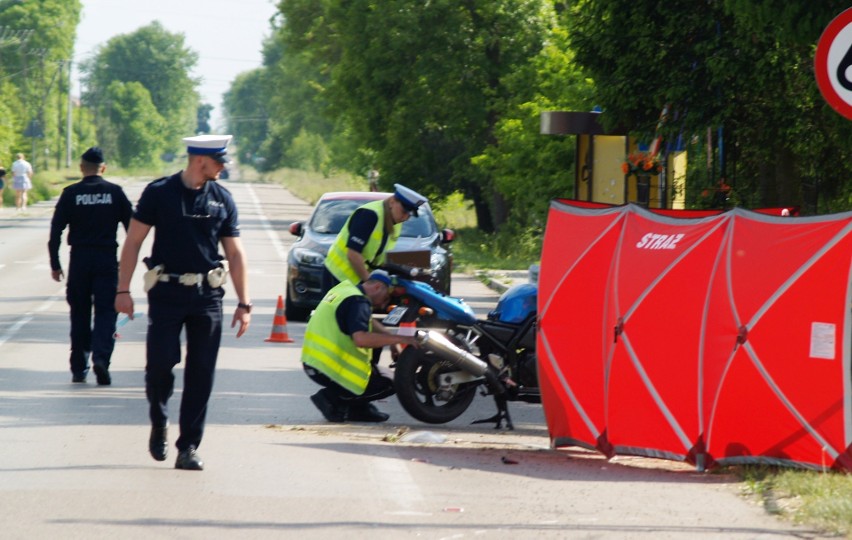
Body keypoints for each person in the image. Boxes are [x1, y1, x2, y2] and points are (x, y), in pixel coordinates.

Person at [115, 134, 251, 472]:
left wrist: (244, 303)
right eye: (219, 162)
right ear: (200, 160)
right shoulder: (159, 193)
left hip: (207, 297)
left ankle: (188, 446)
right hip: (167, 293)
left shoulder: (222, 198)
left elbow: (234, 253)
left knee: (201, 373)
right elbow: (132, 242)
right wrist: (122, 291)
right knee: (160, 365)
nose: (223, 168)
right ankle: (159, 419)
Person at [48, 147, 133, 385]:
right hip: (107, 260)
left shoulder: (70, 193)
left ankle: (78, 367)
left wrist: (55, 263)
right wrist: (129, 262)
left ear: (81, 167)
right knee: (107, 311)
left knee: (80, 313)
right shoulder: (115, 193)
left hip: (80, 261)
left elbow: (56, 231)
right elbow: (133, 230)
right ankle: (102, 358)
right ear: (103, 168)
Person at [302, 269, 418, 422]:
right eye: (387, 297)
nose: (385, 303)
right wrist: (400, 339)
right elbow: (361, 339)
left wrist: (390, 339)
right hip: (328, 367)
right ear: (377, 287)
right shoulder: (358, 301)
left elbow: (368, 321)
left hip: (314, 362)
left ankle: (359, 408)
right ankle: (333, 399)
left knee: (378, 341)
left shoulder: (345, 290)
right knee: (393, 383)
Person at [322, 183, 427, 296]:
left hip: (357, 281)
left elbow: (380, 257)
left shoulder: (395, 222)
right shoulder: (369, 215)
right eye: (404, 212)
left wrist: (406, 266)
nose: (405, 218)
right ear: (392, 202)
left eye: (409, 215)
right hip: (338, 277)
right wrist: (369, 283)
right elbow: (353, 254)